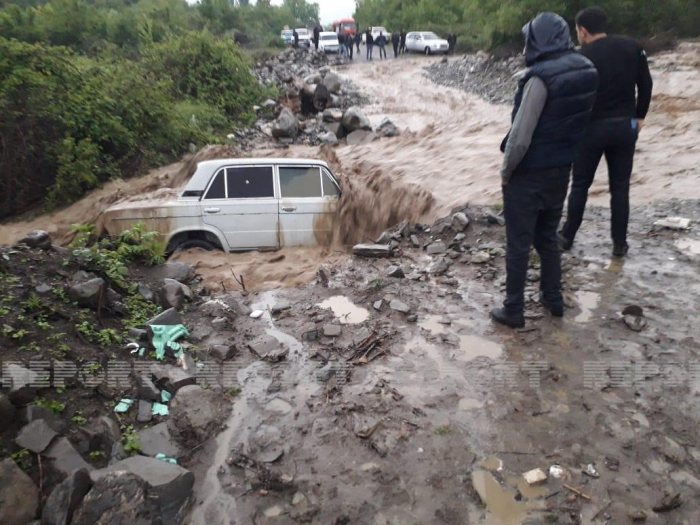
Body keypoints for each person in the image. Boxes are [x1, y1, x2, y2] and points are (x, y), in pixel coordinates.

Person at [490, 12, 598, 329]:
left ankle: (513, 310)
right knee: (547, 239)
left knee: (518, 245)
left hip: (530, 174)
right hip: (562, 169)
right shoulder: (586, 68)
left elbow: (520, 136)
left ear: (538, 40)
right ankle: (553, 301)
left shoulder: (539, 78)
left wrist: (506, 171)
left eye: (529, 38)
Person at [559, 7, 654, 257]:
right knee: (620, 187)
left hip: (591, 128)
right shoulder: (632, 46)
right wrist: (640, 118)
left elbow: (572, 96)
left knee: (580, 184)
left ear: (583, 31)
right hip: (626, 126)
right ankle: (619, 245)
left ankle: (567, 237)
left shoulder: (581, 56)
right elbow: (646, 83)